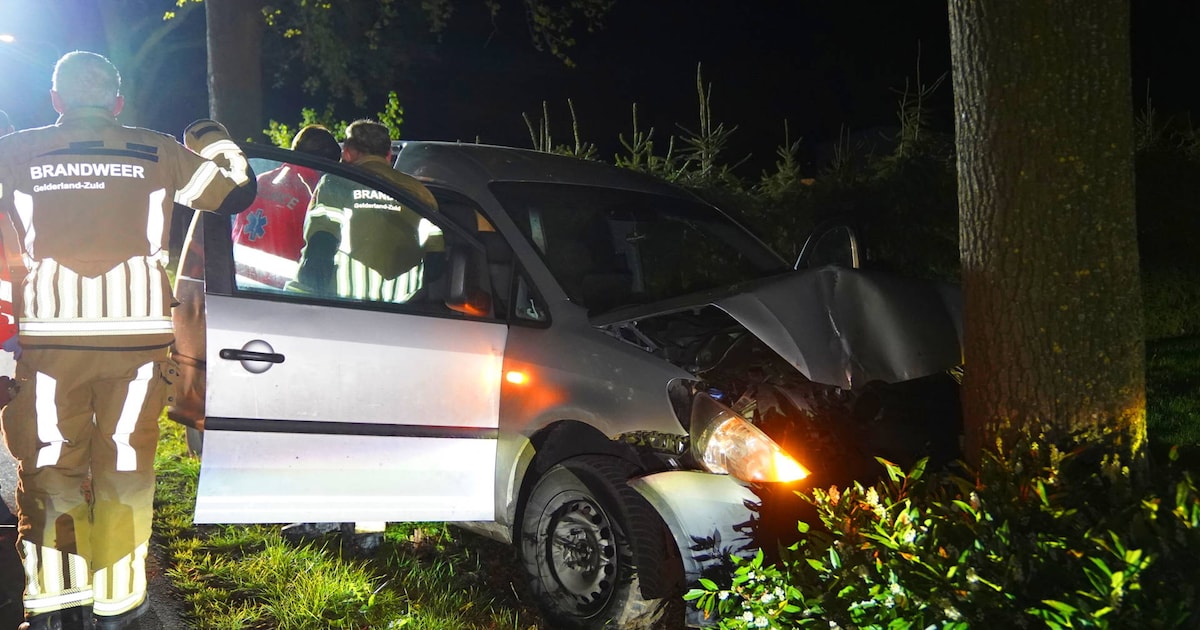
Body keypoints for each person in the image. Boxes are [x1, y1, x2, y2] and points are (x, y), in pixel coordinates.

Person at [0, 51, 255, 630]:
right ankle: (117, 606)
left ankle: (53, 605)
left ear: (57, 100)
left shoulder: (16, 151)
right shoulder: (157, 150)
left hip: (47, 344)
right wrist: (214, 138)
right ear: (117, 102)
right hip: (137, 346)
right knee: (123, 466)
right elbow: (237, 193)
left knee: (48, 466)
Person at [293, 119, 440, 302]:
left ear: (347, 153)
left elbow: (319, 245)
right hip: (405, 309)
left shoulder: (336, 183)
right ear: (388, 155)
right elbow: (436, 258)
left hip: (346, 307)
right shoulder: (420, 192)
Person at [231, 124, 340, 288]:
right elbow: (318, 249)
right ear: (329, 163)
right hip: (279, 290)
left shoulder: (259, 181)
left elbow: (236, 231)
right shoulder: (313, 192)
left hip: (238, 282)